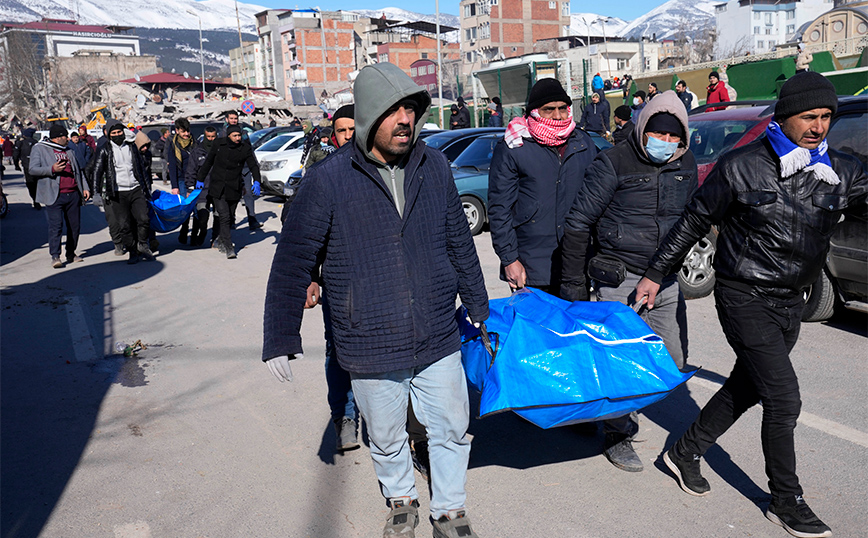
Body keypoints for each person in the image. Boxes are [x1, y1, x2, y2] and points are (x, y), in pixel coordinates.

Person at [262, 62, 489, 538]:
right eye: (392, 110)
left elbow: (459, 242)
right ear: (368, 117)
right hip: (367, 339)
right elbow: (293, 259)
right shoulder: (329, 179)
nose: (405, 119)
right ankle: (402, 498)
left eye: (411, 108)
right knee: (386, 437)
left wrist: (479, 307)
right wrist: (281, 334)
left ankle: (449, 509)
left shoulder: (435, 167)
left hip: (436, 330)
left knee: (450, 427)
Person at [635, 71, 865, 538]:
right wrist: (655, 274)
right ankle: (786, 499)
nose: (818, 126)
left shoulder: (841, 172)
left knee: (749, 386)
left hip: (791, 301)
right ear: (784, 117)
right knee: (784, 397)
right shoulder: (741, 166)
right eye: (808, 117)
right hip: (743, 295)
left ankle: (684, 451)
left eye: (825, 117)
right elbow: (693, 221)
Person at [560, 90, 697, 472]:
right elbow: (578, 223)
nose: (665, 143)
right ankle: (617, 432)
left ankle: (609, 407)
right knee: (617, 361)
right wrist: (573, 287)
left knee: (672, 359)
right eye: (659, 133)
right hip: (619, 277)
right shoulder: (613, 162)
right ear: (642, 129)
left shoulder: (686, 163)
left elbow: (691, 219)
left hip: (665, 278)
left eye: (674, 136)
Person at [488, 77, 598, 296]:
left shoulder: (583, 143)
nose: (557, 116)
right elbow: (499, 210)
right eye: (548, 110)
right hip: (531, 267)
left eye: (562, 109)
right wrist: (510, 259)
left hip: (576, 265)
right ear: (534, 112)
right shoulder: (514, 147)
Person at [297, 104, 361, 452]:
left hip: (379, 280)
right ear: (332, 135)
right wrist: (310, 276)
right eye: (342, 131)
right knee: (338, 350)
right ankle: (345, 416)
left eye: (354, 129)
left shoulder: (383, 170)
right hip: (337, 282)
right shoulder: (321, 174)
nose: (349, 136)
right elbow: (306, 235)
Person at [29, 124, 91, 268]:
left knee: (74, 226)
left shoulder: (69, 150)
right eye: (65, 136)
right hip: (54, 195)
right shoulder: (40, 148)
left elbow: (79, 171)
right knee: (56, 227)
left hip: (73, 194)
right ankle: (55, 256)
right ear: (57, 138)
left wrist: (85, 188)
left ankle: (71, 253)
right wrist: (52, 169)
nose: (68, 138)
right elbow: (32, 169)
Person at [92, 121, 154, 264]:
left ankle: (143, 244)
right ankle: (132, 251)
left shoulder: (132, 147)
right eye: (113, 133)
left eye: (119, 132)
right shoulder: (104, 150)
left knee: (144, 219)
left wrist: (147, 188)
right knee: (124, 225)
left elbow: (141, 169)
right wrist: (95, 192)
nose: (117, 135)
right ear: (108, 134)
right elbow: (97, 171)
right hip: (118, 192)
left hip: (135, 188)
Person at [197, 125, 261, 259]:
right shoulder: (219, 145)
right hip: (218, 186)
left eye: (239, 135)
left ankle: (221, 239)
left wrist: (257, 180)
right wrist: (200, 179)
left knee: (230, 216)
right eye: (235, 136)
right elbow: (208, 162)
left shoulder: (244, 148)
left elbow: (253, 164)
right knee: (224, 216)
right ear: (229, 136)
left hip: (234, 186)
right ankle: (228, 247)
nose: (238, 138)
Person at [222, 111, 261, 230]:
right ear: (227, 119)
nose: (234, 120)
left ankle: (252, 219)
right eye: (232, 118)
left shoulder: (243, 133)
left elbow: (249, 150)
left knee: (248, 194)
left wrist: (255, 165)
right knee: (232, 195)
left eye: (235, 118)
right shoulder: (223, 134)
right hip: (230, 170)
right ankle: (231, 220)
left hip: (245, 169)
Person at [185, 126, 217, 247]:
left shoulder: (220, 150)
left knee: (218, 216)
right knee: (202, 216)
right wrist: (190, 188)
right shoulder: (197, 151)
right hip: (201, 191)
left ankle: (215, 239)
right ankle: (201, 233)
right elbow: (191, 171)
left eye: (213, 137)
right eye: (208, 137)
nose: (211, 139)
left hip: (217, 189)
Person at [13, 128, 39, 209]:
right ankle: (37, 199)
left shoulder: (21, 143)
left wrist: (16, 164)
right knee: (37, 183)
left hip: (27, 166)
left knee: (30, 183)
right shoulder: (36, 143)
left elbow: (15, 154)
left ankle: (35, 199)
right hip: (37, 166)